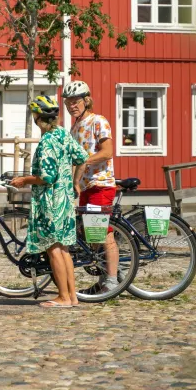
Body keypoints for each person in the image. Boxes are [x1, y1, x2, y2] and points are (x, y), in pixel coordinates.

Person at [9, 95, 88, 308]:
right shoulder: (63, 133)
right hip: (65, 200)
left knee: (53, 248)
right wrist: (75, 182)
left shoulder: (46, 142)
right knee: (63, 249)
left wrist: (23, 180)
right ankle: (72, 297)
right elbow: (82, 157)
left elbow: (47, 177)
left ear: (38, 118)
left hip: (50, 201)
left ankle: (62, 297)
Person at [63, 80, 119, 294]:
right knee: (90, 234)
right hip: (84, 186)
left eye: (75, 101)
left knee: (103, 232)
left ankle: (112, 281)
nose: (71, 106)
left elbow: (107, 152)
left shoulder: (98, 121)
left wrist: (85, 161)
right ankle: (109, 276)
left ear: (86, 100)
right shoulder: (75, 127)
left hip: (101, 183)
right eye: (68, 102)